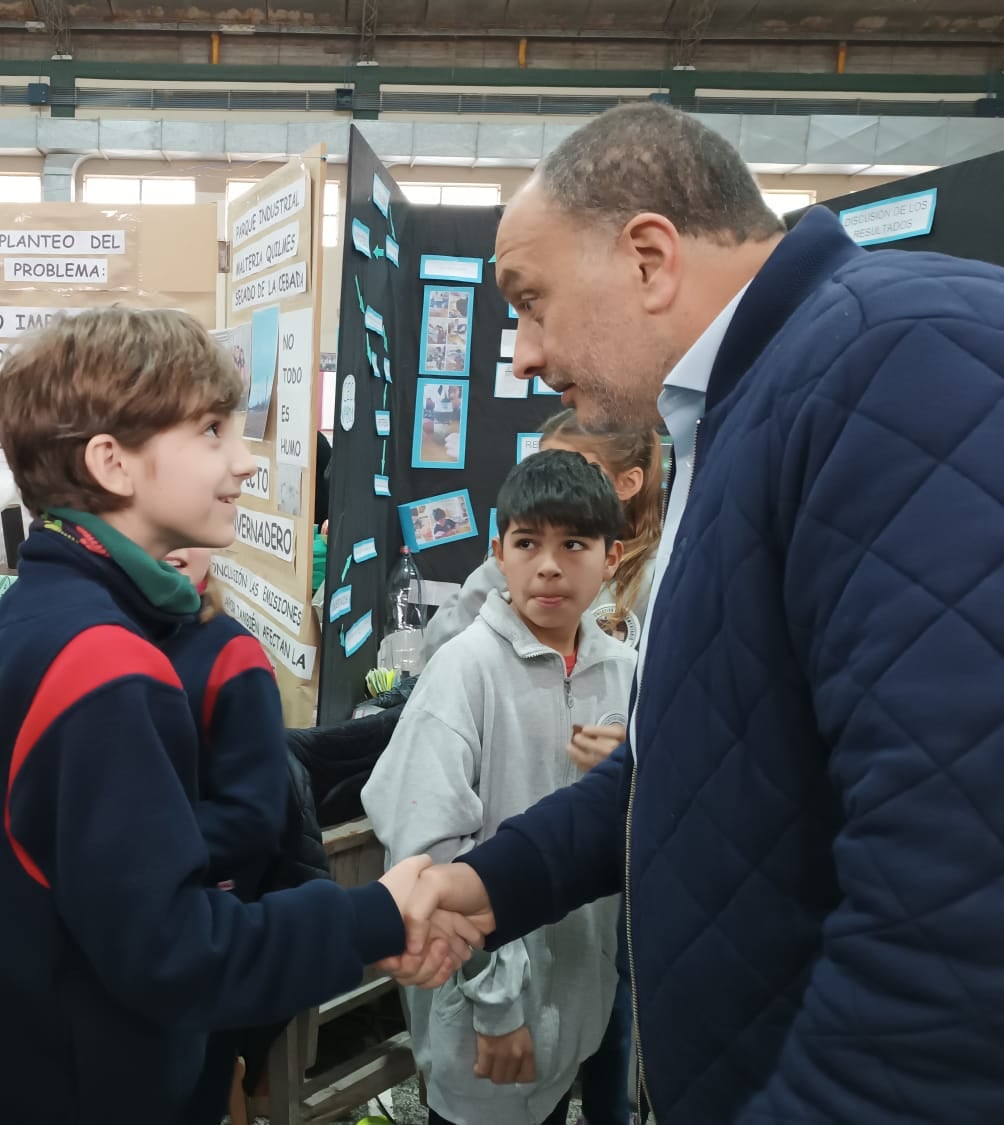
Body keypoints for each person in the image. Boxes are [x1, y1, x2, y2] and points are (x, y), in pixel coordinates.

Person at [387, 103, 1004, 1123]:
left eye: (530, 301)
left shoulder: (896, 361)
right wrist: (497, 885)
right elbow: (698, 750)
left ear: (648, 257)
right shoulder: (755, 409)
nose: (525, 355)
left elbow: (959, 867)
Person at [0, 307, 484, 1124]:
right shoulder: (108, 663)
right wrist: (368, 915)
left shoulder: (37, 613)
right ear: (112, 462)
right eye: (212, 430)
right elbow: (170, 951)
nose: (245, 462)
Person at [365, 450, 635, 1125]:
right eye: (527, 542)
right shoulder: (464, 671)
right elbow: (428, 860)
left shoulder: (628, 671)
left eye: (573, 542)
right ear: (498, 552)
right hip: (484, 1022)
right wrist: (497, 1004)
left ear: (612, 557)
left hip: (576, 1000)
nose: (548, 564)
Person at [163, 545, 290, 1124]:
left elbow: (253, 820)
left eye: (183, 528)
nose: (169, 545)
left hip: (195, 930)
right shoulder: (96, 632)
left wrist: (125, 841)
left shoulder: (231, 655)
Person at [423, 408, 662, 668]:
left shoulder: (658, 574)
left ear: (627, 483)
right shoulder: (508, 565)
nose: (555, 484)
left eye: (579, 469)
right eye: (544, 466)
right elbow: (439, 652)